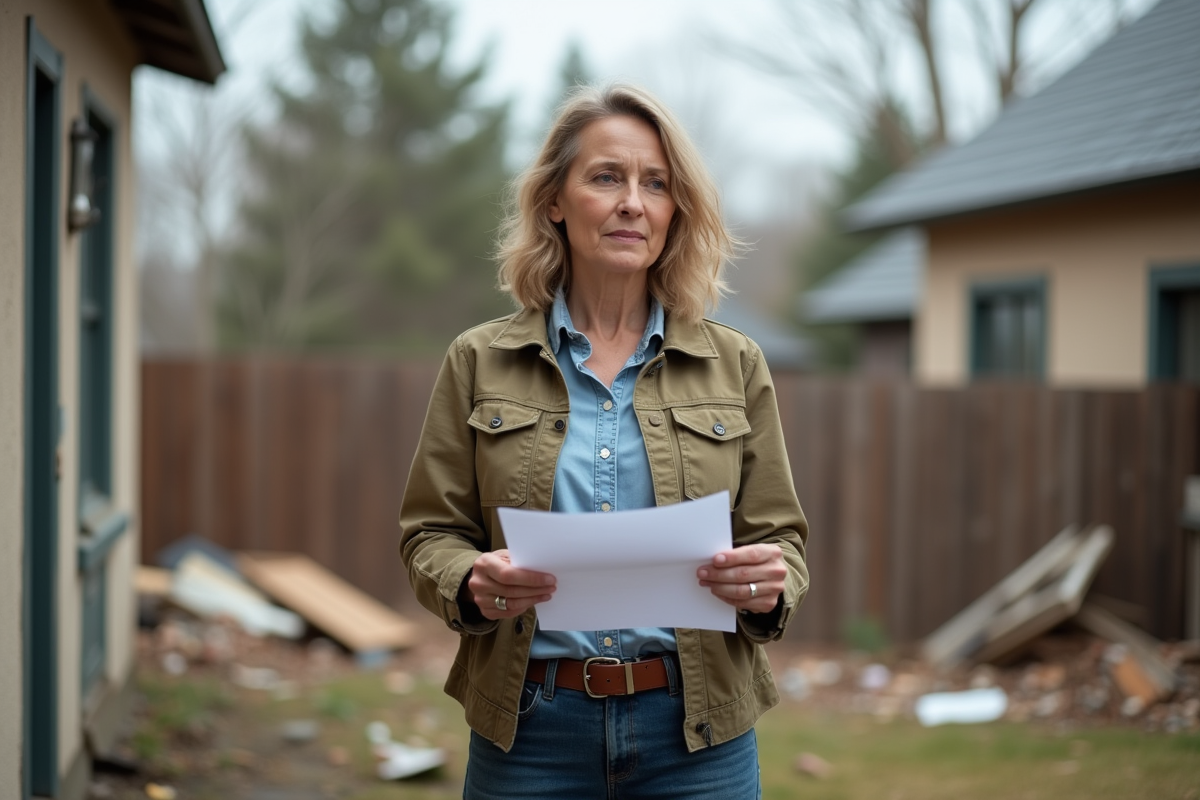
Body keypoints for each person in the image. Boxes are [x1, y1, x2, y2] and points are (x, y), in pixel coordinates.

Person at [399, 83, 809, 799]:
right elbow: (429, 532)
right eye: (606, 177)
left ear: (675, 210)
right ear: (555, 200)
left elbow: (782, 540)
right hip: (529, 730)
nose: (633, 202)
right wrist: (469, 581)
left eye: (655, 183)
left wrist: (767, 588)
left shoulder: (735, 363)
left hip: (698, 735)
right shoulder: (478, 359)